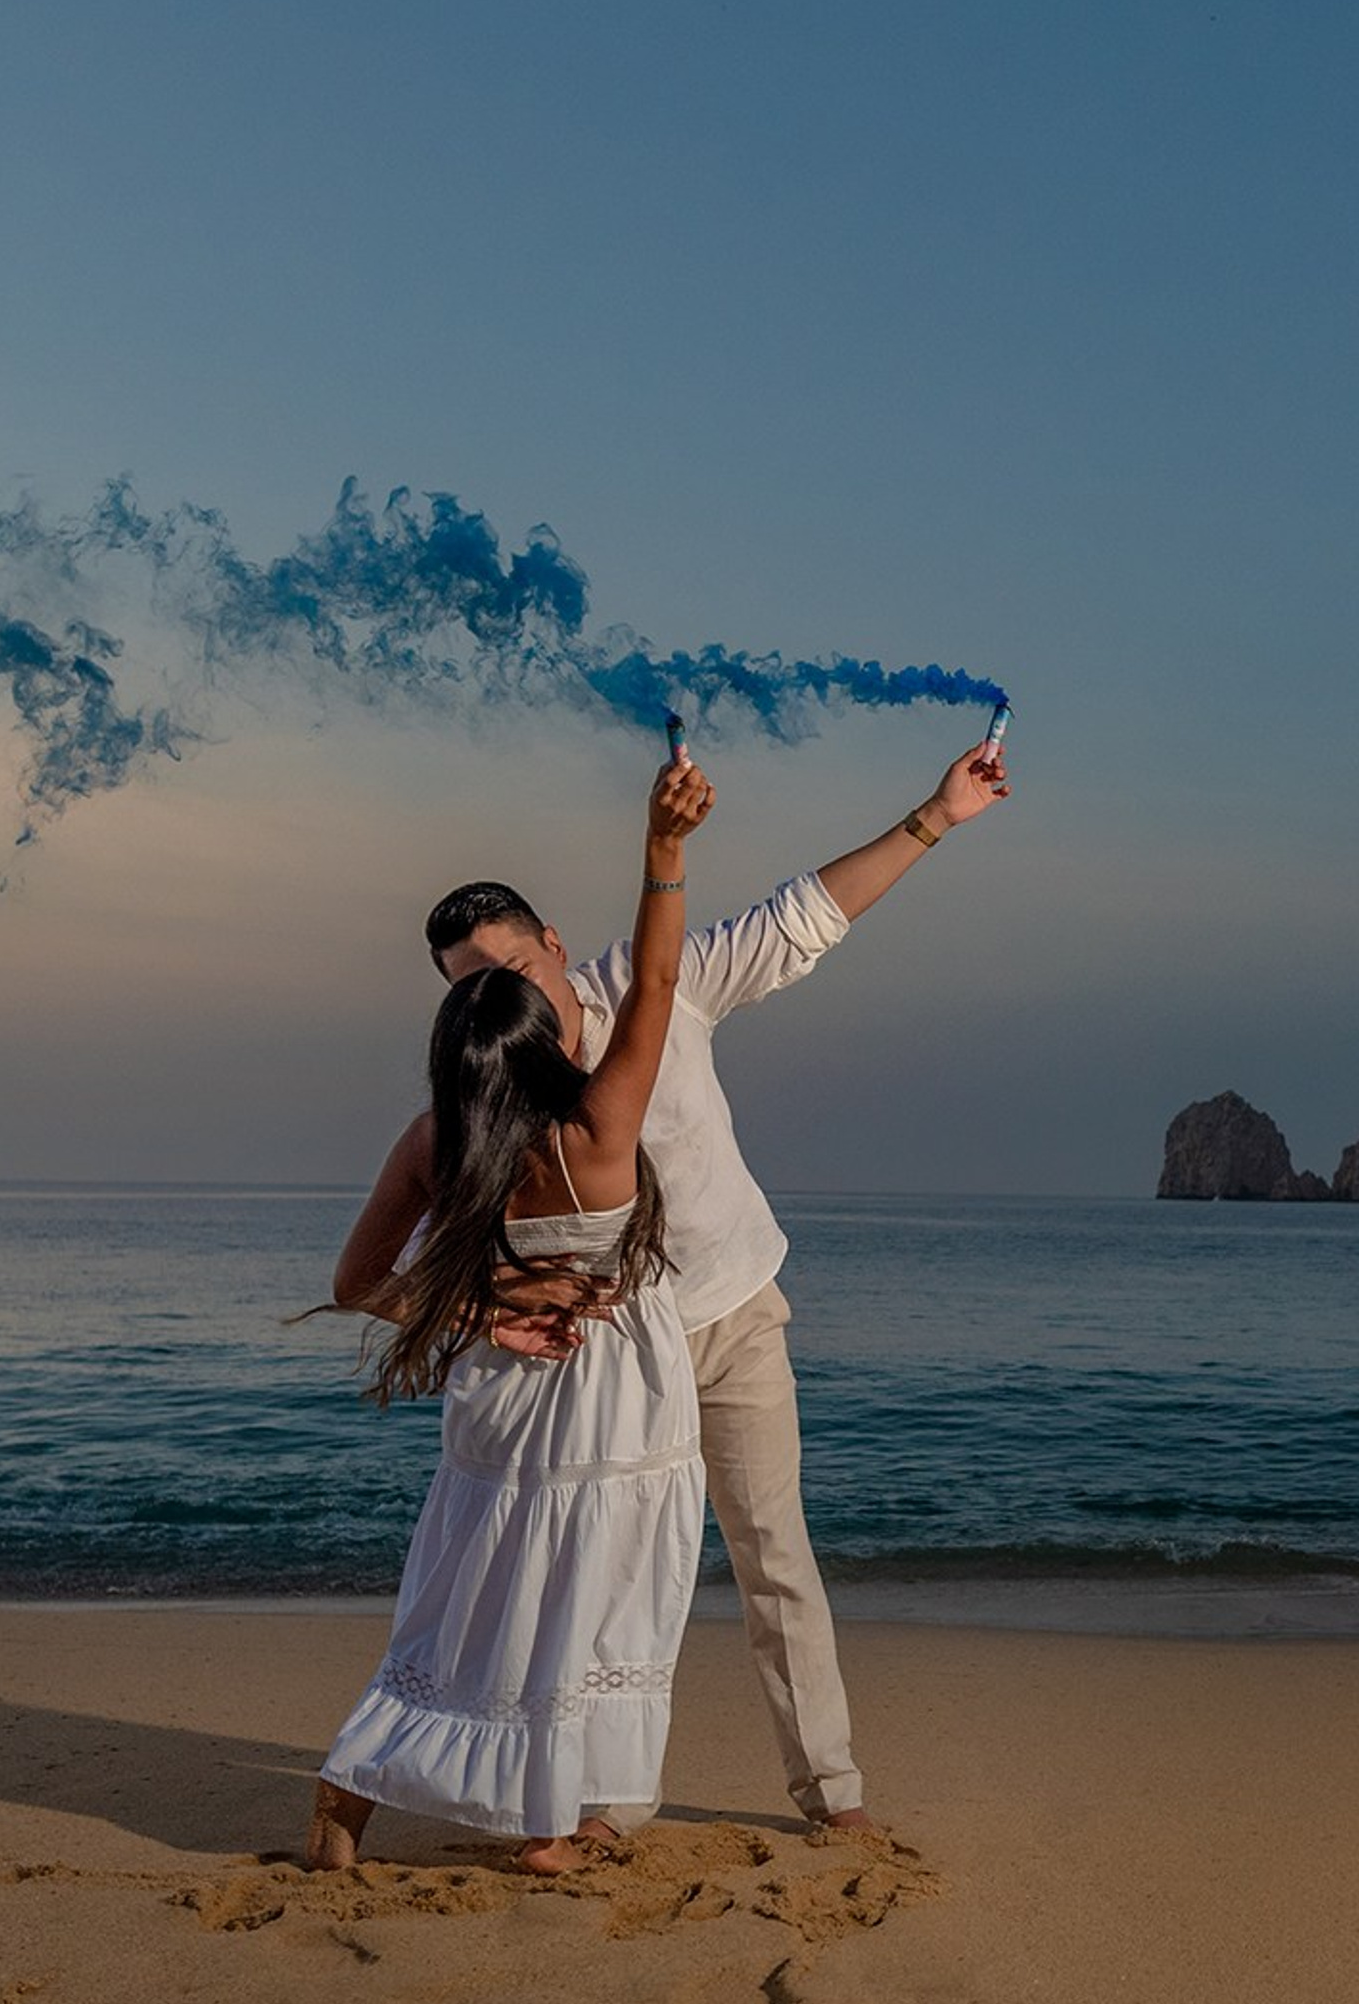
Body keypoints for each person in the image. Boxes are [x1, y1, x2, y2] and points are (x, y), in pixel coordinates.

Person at [422, 736, 1011, 1833]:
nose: (508, 1000)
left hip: (732, 1319)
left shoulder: (659, 989)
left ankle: (832, 1795)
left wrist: (937, 814)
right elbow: (444, 1255)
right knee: (611, 1581)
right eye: (474, 992)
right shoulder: (488, 1092)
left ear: (554, 944)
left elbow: (805, 916)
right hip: (606, 1360)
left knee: (774, 1558)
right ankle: (605, 1802)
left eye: (516, 970)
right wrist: (494, 1314)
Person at [304, 754, 713, 1875]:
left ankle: (352, 1791)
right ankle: (550, 1826)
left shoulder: (435, 1139)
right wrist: (663, 849)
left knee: (472, 1595)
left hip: (503, 1392)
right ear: (542, 1033)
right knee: (591, 1590)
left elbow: (357, 1284)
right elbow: (659, 985)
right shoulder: (598, 1128)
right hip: (616, 1387)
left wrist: (483, 1302)